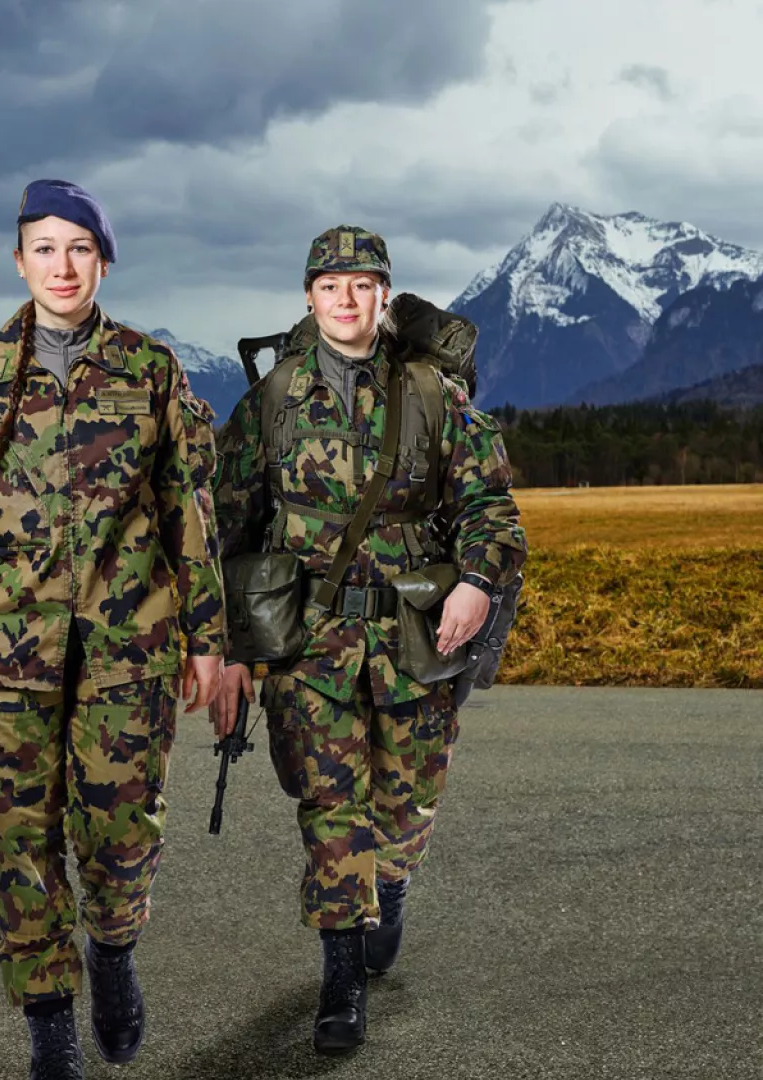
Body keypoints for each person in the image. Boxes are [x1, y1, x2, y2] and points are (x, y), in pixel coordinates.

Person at [0, 179, 224, 1080]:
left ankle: (113, 948)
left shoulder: (148, 369)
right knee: (22, 843)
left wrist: (207, 637)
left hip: (128, 647)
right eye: (45, 248)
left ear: (103, 261)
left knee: (121, 835)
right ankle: (50, 1026)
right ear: (19, 262)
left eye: (80, 248)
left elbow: (187, 511)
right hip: (3, 653)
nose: (63, 266)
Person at [210, 226, 526, 1053]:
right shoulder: (273, 400)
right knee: (330, 806)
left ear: (384, 295)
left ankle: (392, 881)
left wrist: (477, 581)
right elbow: (227, 531)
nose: (346, 300)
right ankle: (341, 979)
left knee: (406, 806)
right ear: (309, 297)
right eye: (330, 286)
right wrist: (232, 653)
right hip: (310, 646)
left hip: (415, 637)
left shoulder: (431, 394)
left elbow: (492, 507)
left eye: (361, 286)